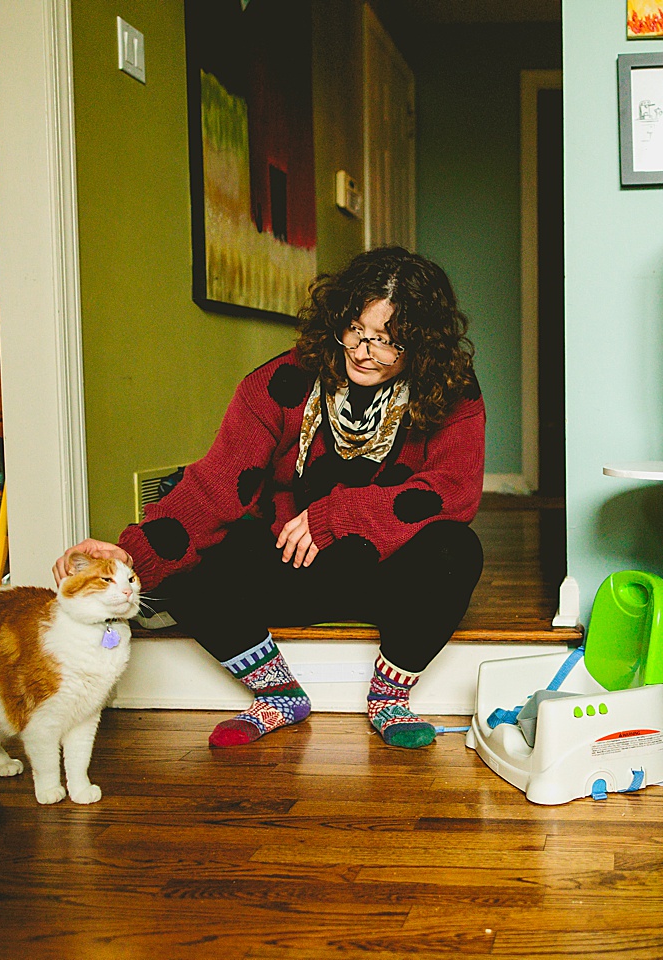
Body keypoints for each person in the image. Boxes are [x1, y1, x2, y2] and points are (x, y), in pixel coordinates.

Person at [54, 246, 486, 750]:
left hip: (388, 569)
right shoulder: (282, 381)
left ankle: (390, 696)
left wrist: (335, 516)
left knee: (457, 549)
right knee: (185, 571)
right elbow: (215, 488)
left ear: (421, 346)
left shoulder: (448, 386)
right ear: (338, 321)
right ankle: (277, 693)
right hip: (293, 559)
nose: (366, 352)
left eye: (389, 342)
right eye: (356, 331)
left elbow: (451, 492)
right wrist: (129, 559)